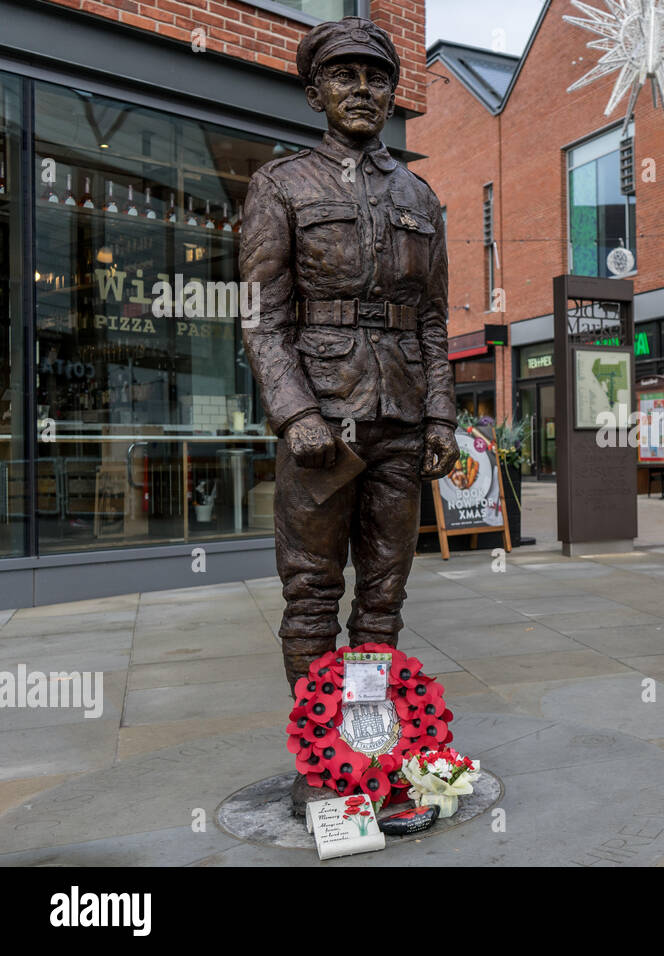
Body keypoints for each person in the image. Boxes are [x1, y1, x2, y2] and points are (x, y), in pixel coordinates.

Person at [239, 17, 459, 812]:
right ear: (315, 92)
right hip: (322, 422)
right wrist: (294, 410)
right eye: (345, 77)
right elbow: (263, 317)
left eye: (376, 77)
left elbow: (434, 320)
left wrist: (440, 417)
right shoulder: (282, 185)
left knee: (384, 594)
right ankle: (319, 755)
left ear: (393, 94)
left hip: (402, 412)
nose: (363, 90)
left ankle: (373, 747)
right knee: (310, 591)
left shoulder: (421, 197)